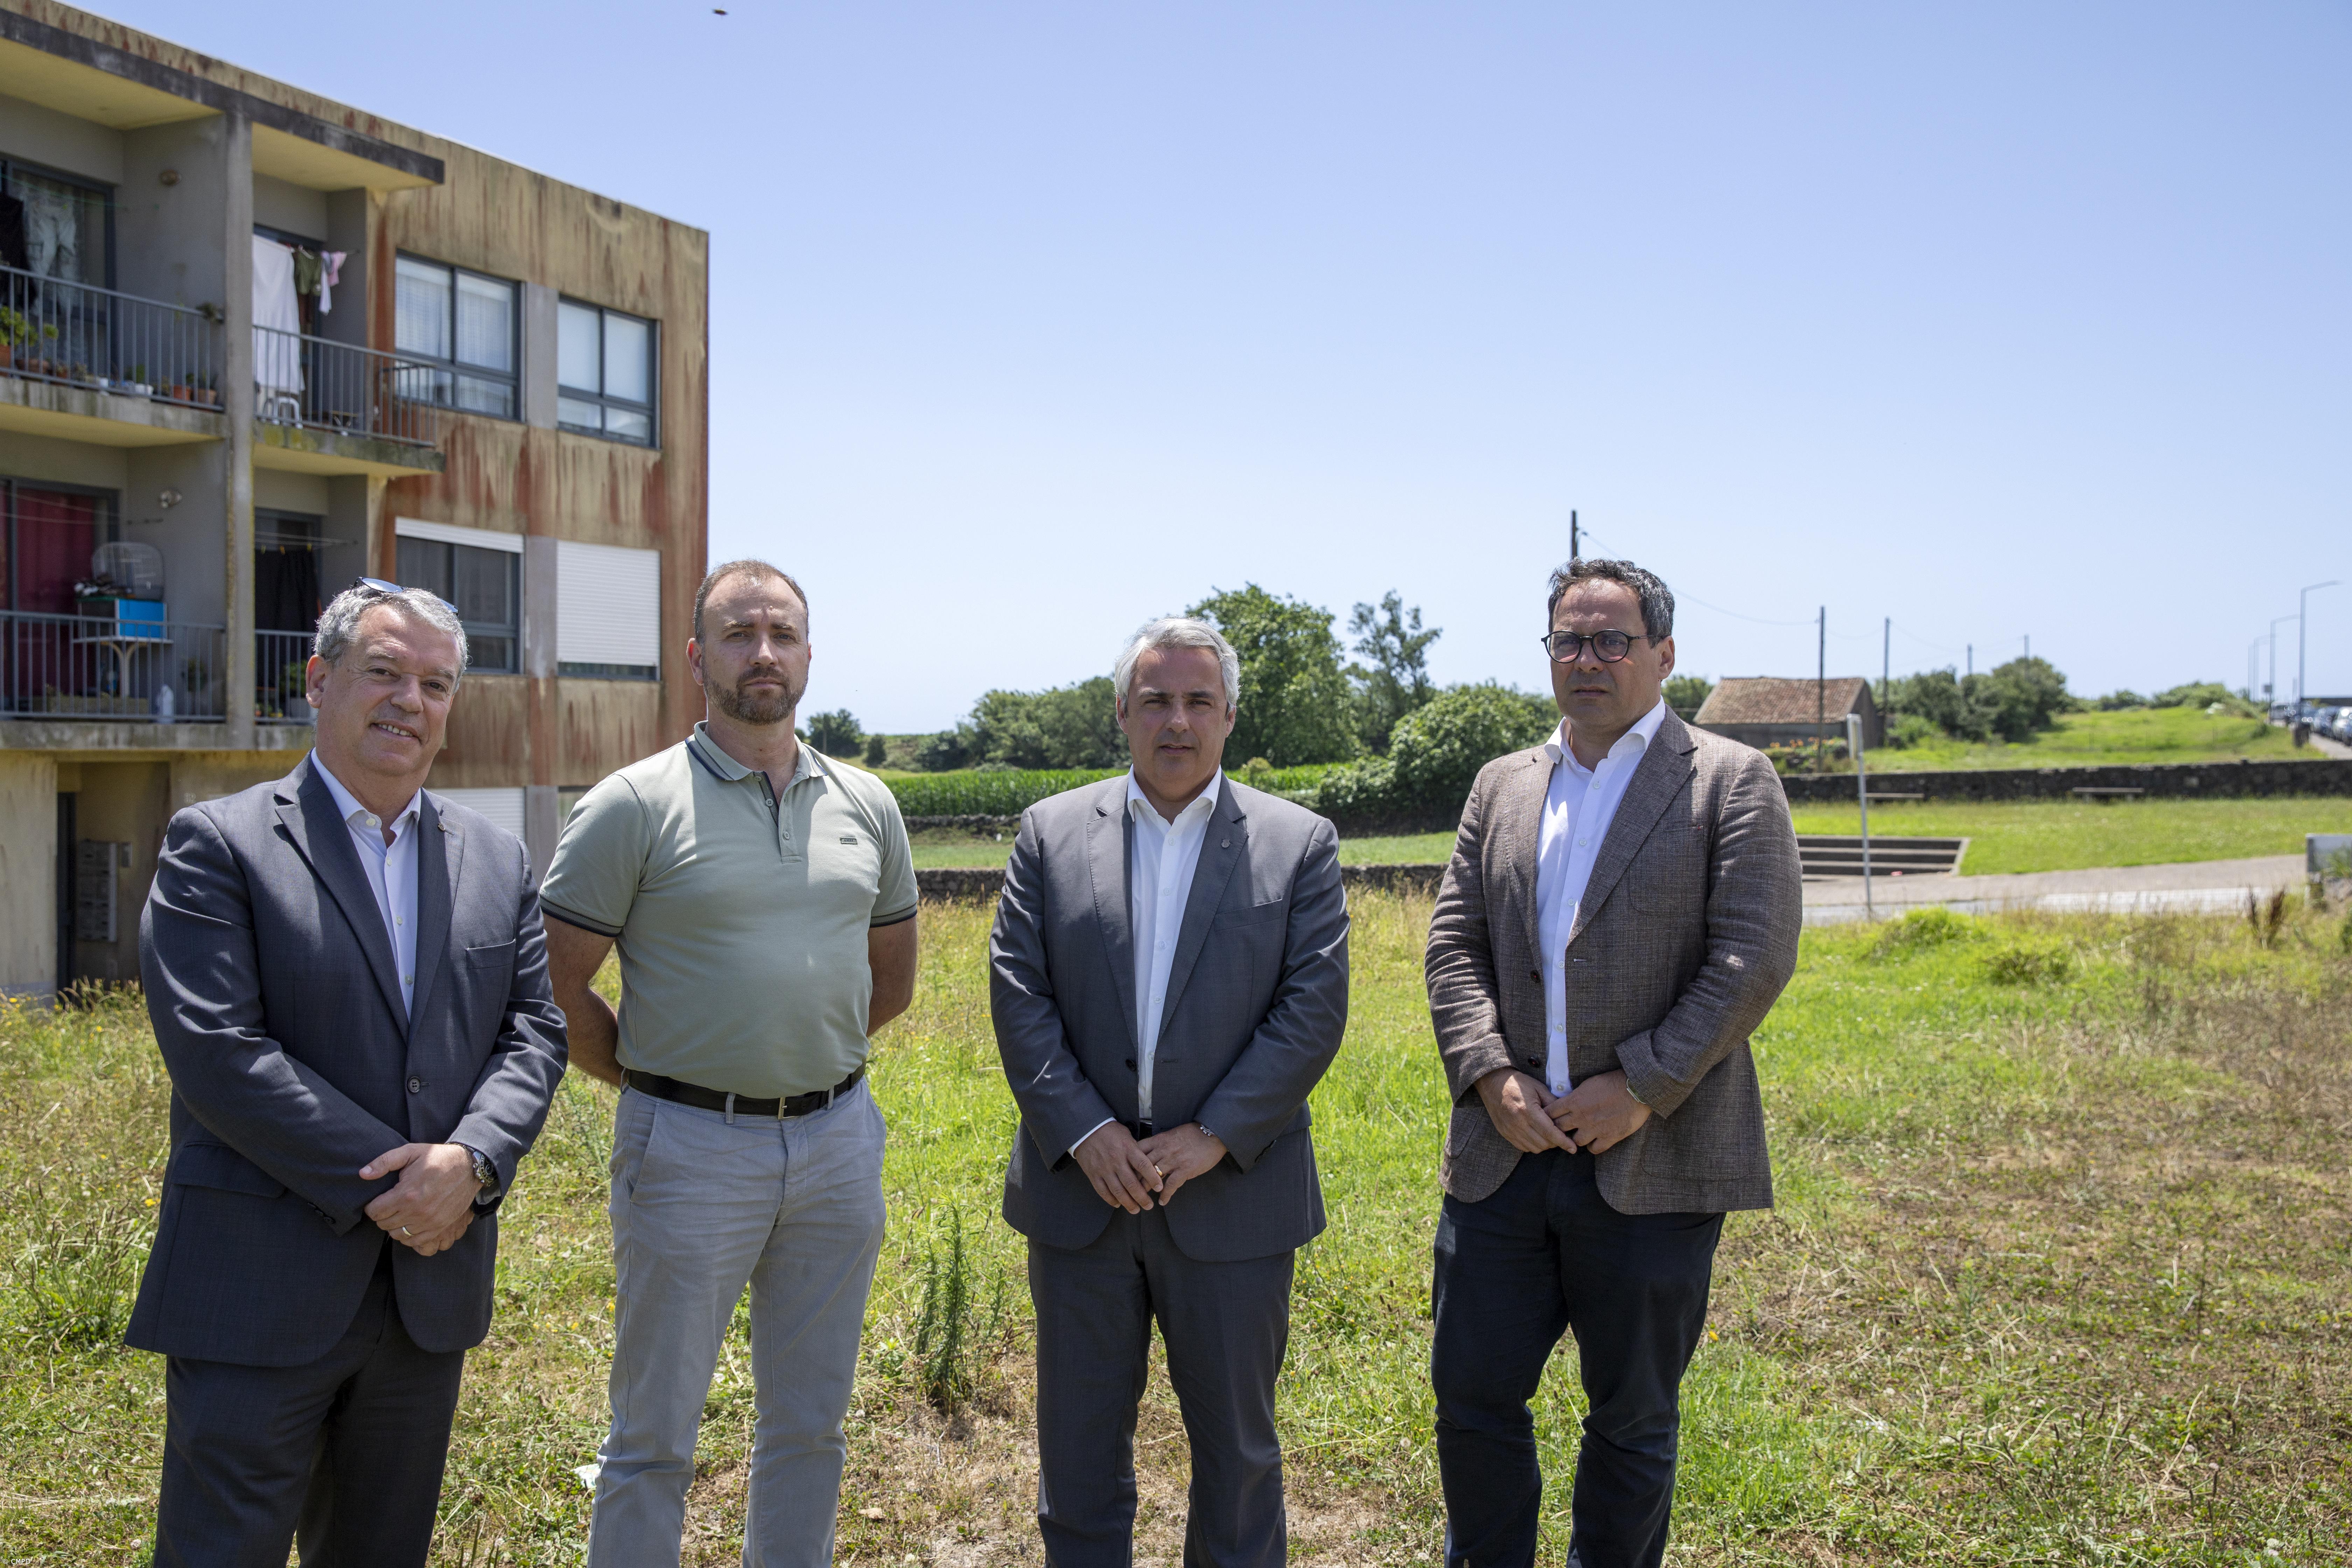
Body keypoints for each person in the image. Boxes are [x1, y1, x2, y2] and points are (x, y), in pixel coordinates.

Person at [131, 580, 568, 1566]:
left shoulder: (495, 858)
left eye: (436, 684)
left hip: (424, 1296)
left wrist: (473, 1162)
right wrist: (401, 1181)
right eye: (384, 672)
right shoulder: (220, 843)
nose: (410, 700)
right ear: (319, 682)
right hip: (258, 1289)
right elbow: (219, 1051)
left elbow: (534, 1030)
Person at [1422, 558, 1803, 1568]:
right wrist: (1490, 1074)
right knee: (1472, 1399)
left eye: (1611, 641)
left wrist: (1641, 1086)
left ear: (1663, 654)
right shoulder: (1503, 783)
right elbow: (1453, 944)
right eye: (1568, 641)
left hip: (1651, 1159)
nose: (1586, 660)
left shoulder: (1730, 779)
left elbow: (1753, 955)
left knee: (1632, 1417)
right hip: (1504, 1155)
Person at [540, 559, 919, 1568]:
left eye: (782, 634)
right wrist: (660, 1081)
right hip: (688, 1149)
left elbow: (890, 984)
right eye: (739, 634)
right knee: (653, 1438)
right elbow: (554, 986)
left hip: (838, 1144)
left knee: (812, 1426)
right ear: (697, 656)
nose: (764, 653)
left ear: (809, 655)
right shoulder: (633, 804)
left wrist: (798, 1066)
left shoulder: (869, 803)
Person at [989, 616, 1350, 1568]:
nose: (1177, 720)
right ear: (1121, 713)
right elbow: (1019, 995)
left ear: (1230, 715)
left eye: (1199, 701)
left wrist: (1213, 1136)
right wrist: (1085, 1132)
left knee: (1238, 1463)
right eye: (1156, 700)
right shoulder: (1049, 834)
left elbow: (1312, 1010)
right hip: (1084, 1198)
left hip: (1231, 1197)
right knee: (1077, 1461)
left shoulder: (1298, 843)